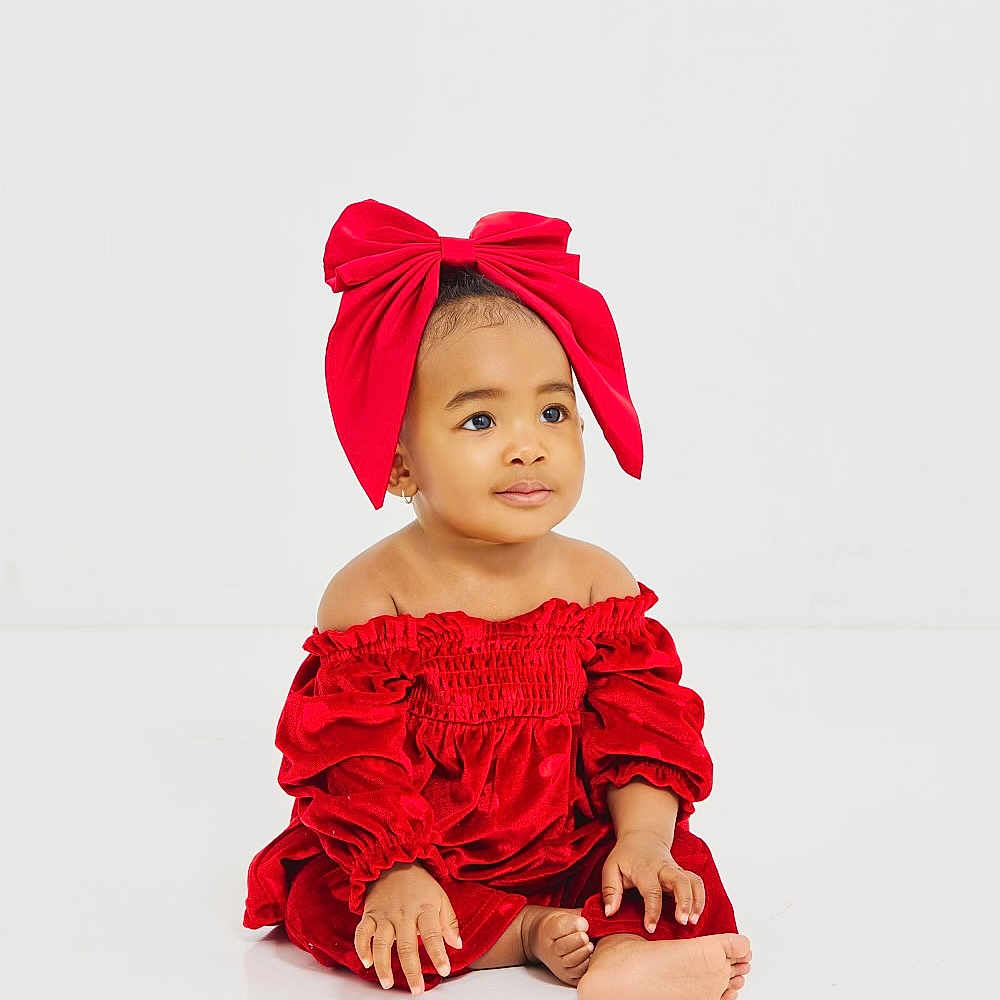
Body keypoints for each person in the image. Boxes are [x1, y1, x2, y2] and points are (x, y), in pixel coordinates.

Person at [242, 199, 753, 998]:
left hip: (575, 839)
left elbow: (643, 730)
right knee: (330, 900)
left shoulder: (597, 585)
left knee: (669, 864)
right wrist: (396, 867)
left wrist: (644, 838)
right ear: (400, 461)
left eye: (554, 410)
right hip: (422, 850)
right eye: (479, 419)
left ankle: (627, 954)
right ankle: (522, 933)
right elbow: (351, 760)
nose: (529, 442)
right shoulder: (375, 596)